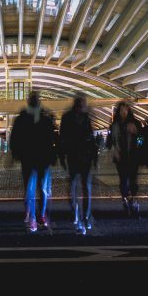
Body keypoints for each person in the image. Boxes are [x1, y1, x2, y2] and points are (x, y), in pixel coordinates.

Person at [9, 91, 57, 233]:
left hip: (41, 158)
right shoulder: (23, 117)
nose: (35, 101)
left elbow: (52, 138)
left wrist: (53, 155)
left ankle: (39, 216)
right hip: (29, 158)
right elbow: (15, 137)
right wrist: (15, 153)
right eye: (33, 99)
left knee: (40, 189)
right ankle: (33, 216)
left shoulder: (44, 117)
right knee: (31, 190)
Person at [59, 93, 97, 234]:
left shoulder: (85, 118)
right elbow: (62, 138)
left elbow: (91, 138)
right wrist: (62, 156)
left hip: (84, 158)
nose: (82, 107)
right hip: (74, 157)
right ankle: (77, 214)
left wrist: (94, 158)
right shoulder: (68, 118)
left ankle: (85, 217)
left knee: (84, 188)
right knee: (75, 188)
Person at [106, 101, 141, 217]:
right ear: (118, 111)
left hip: (133, 156)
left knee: (133, 180)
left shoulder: (135, 123)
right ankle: (126, 200)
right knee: (123, 180)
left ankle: (133, 200)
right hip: (120, 157)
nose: (123, 112)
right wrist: (113, 150)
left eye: (125, 110)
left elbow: (142, 138)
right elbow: (109, 143)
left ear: (129, 111)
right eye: (121, 110)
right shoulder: (114, 125)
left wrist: (136, 133)